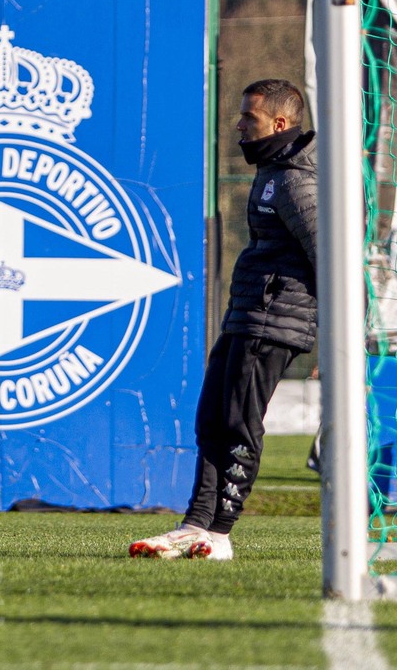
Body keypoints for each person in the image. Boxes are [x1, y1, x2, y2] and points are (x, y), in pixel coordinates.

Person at [131, 79, 318, 560]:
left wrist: (337, 337)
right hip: (248, 315)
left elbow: (331, 254)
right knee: (211, 419)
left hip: (274, 322)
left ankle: (220, 533)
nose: (238, 125)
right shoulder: (273, 170)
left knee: (237, 423)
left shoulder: (296, 178)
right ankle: (197, 525)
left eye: (248, 118)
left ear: (279, 124)